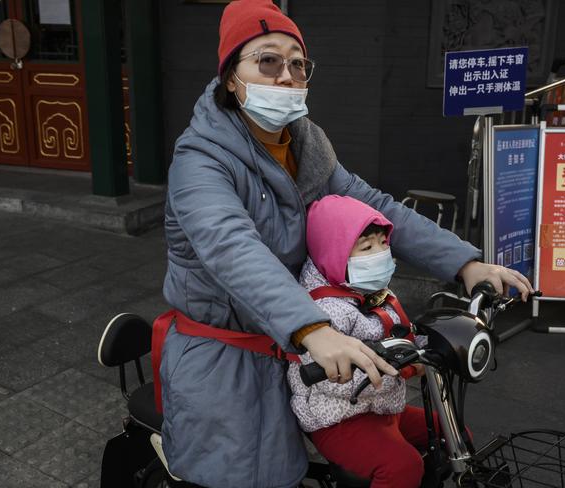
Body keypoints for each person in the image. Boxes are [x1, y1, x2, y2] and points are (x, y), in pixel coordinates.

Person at [159, 1, 534, 487]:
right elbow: (232, 248)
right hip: (227, 358)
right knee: (251, 475)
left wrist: (464, 263)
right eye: (267, 61)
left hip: (297, 343)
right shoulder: (199, 162)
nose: (287, 75)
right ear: (232, 77)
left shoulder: (305, 144)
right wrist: (314, 328)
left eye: (297, 63)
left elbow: (377, 206)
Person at [287, 195, 433, 488]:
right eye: (367, 247)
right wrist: (403, 370)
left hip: (381, 406)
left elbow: (401, 333)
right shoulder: (322, 310)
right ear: (334, 253)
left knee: (450, 432)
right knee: (402, 467)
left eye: (383, 243)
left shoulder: (373, 291)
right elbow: (331, 379)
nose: (380, 253)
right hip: (338, 418)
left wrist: (435, 343)